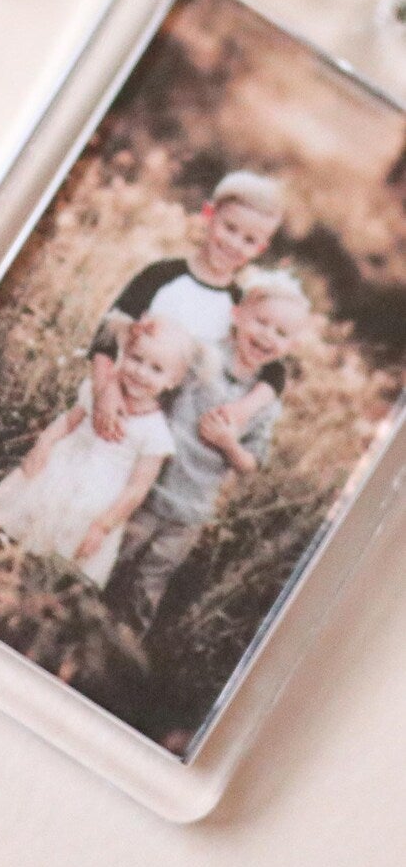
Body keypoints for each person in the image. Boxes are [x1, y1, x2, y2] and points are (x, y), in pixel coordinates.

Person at [106, 271, 311, 636]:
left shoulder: (266, 405)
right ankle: (75, 620)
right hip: (149, 488)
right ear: (238, 316)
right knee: (114, 556)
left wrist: (229, 443)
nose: (267, 335)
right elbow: (157, 381)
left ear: (291, 345)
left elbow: (250, 464)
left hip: (191, 510)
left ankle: (118, 649)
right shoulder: (202, 355)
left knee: (151, 580)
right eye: (261, 322)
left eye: (281, 333)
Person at [0, 316, 197, 586]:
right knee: (15, 535)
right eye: (136, 359)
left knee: (54, 563)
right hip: (56, 473)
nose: (140, 372)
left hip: (95, 503)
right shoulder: (98, 394)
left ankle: (31, 591)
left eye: (156, 369)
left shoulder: (155, 433)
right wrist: (43, 445)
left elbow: (136, 489)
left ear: (172, 381)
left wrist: (103, 526)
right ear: (122, 355)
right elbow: (68, 421)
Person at [89, 170, 285, 444]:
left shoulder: (241, 306)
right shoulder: (162, 275)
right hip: (115, 407)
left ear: (260, 249)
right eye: (229, 228)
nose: (234, 243)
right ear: (209, 214)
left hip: (169, 436)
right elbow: (107, 334)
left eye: (249, 240)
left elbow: (274, 370)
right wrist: (104, 389)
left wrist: (244, 408)